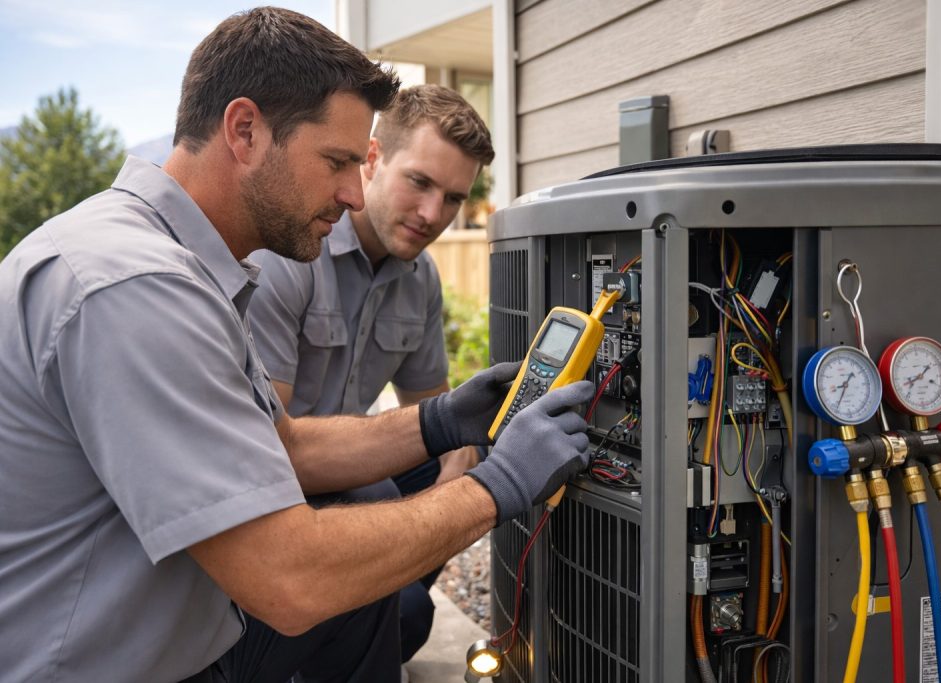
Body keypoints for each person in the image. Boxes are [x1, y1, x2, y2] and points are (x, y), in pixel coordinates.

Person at [0, 8, 594, 683]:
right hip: (100, 666)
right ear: (245, 131)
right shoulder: (134, 286)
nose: (352, 190)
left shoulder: (188, 266)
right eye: (339, 161)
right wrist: (501, 483)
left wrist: (442, 417)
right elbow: (289, 579)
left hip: (184, 633)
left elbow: (286, 447)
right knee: (346, 592)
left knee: (367, 605)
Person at [246, 83, 493, 663]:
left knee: (467, 450)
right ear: (374, 158)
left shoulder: (421, 278)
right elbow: (271, 452)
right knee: (408, 612)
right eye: (420, 182)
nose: (434, 215)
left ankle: (378, 602)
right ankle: (363, 619)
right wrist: (424, 517)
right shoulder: (294, 253)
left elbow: (435, 412)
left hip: (349, 468)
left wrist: (454, 479)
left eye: (455, 198)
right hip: (277, 481)